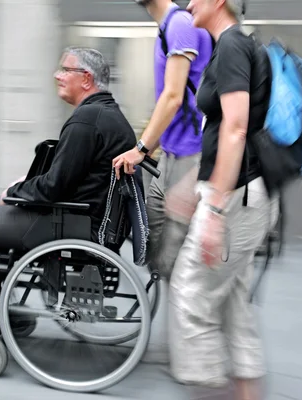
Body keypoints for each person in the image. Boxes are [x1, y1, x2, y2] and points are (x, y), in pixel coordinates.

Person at [0, 47, 137, 348]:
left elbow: (55, 187)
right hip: (87, 221)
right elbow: (69, 179)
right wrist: (25, 186)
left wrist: (13, 193)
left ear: (85, 79)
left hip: (71, 224)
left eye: (65, 69)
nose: (57, 75)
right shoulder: (109, 116)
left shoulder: (87, 119)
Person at [168, 0, 275, 398]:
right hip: (244, 195)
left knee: (190, 295)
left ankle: (208, 390)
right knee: (234, 306)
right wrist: (193, 186)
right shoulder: (236, 46)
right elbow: (221, 132)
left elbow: (235, 128)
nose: (189, 2)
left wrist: (213, 209)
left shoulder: (232, 46)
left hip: (234, 200)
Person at [112, 0, 213, 363]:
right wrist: (152, 150)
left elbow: (172, 97)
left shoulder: (182, 24)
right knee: (156, 249)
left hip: (192, 159)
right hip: (171, 156)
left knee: (177, 256)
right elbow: (170, 100)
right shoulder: (167, 26)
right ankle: (184, 344)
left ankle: (191, 354)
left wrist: (140, 148)